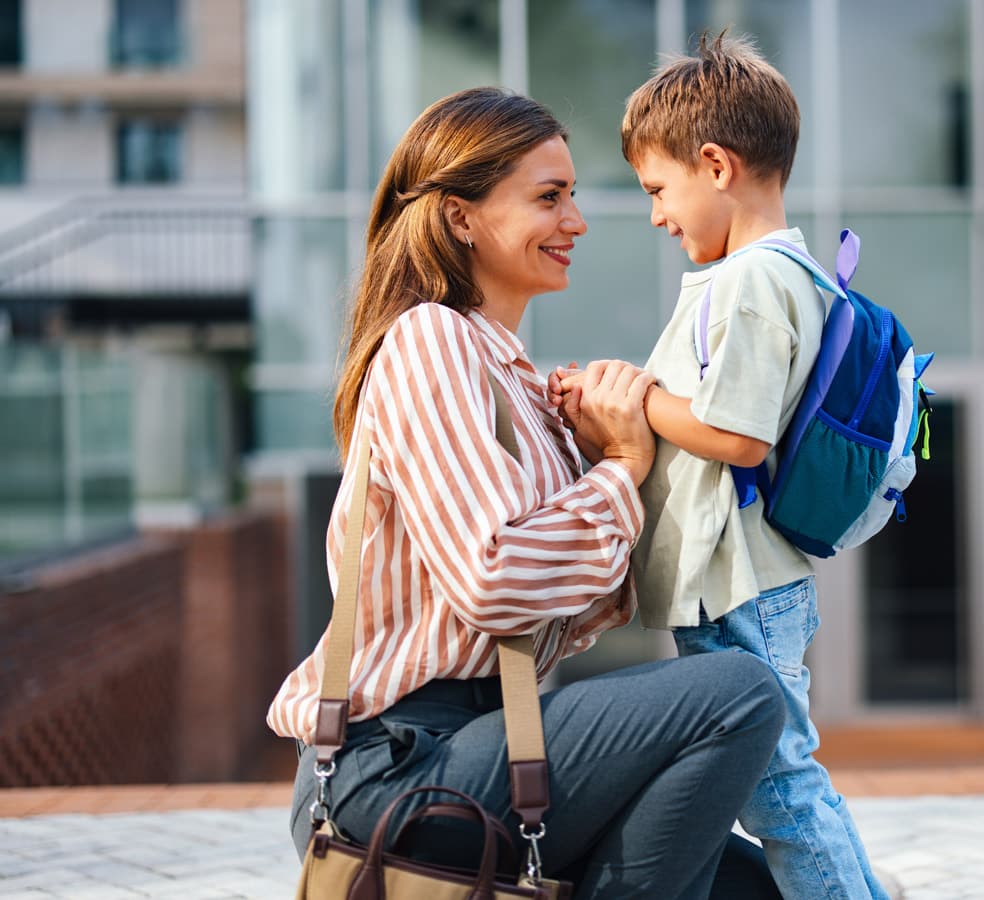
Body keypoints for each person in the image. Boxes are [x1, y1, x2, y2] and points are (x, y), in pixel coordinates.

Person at [266, 86, 789, 900]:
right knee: (739, 696)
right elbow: (494, 580)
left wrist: (602, 458)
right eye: (550, 198)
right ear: (459, 218)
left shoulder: (511, 379)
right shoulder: (429, 340)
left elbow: (566, 610)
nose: (576, 221)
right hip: (403, 765)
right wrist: (618, 468)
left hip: (492, 743)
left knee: (764, 888)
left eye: (572, 196)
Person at [551, 33, 889, 900]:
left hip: (741, 584)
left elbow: (736, 437)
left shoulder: (752, 282)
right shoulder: (779, 275)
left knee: (782, 791)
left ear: (715, 164)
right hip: (735, 581)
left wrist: (622, 398)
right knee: (787, 783)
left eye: (659, 191)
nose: (658, 215)